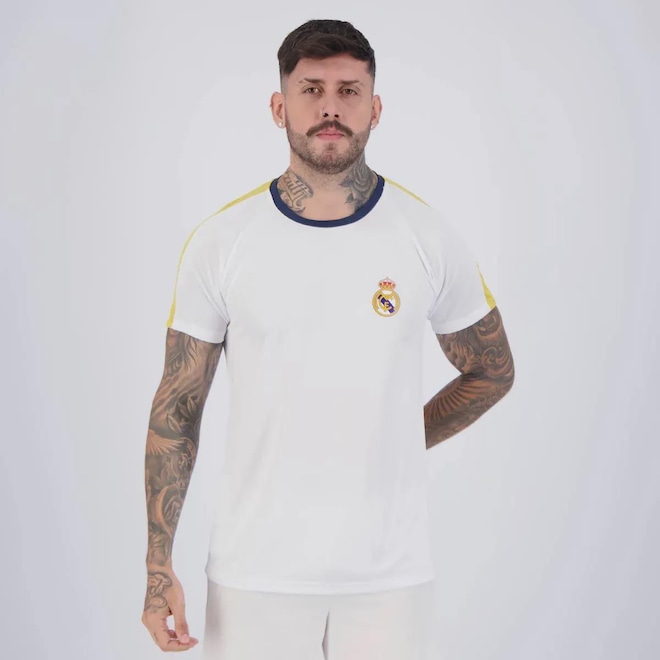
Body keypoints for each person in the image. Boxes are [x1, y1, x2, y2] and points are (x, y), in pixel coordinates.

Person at [141, 18, 515, 659]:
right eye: (311, 90)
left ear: (376, 108)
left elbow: (492, 371)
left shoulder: (426, 236)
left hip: (389, 577)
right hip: (254, 575)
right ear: (279, 106)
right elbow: (178, 410)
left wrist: (398, 437)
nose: (331, 108)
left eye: (349, 91)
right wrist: (157, 570)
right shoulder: (221, 243)